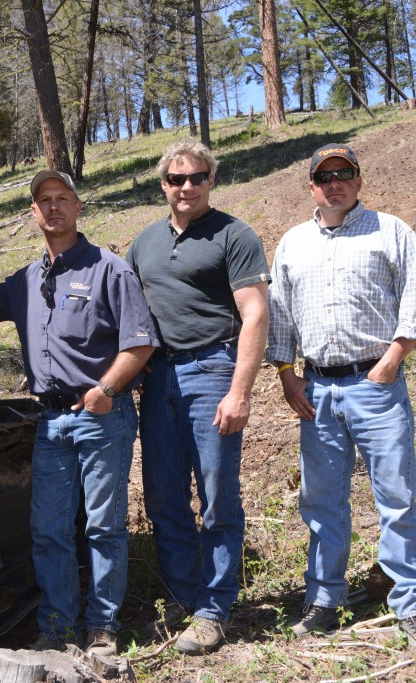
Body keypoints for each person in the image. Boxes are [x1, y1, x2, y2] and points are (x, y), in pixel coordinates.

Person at [0, 169, 158, 658]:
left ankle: (104, 628)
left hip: (100, 415)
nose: (54, 207)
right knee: (49, 530)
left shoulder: (109, 269)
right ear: (33, 213)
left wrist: (106, 389)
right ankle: (58, 628)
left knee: (103, 527)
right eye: (44, 200)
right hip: (49, 421)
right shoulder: (29, 278)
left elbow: (140, 342)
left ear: (78, 207)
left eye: (62, 198)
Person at [267, 143, 416, 648]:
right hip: (316, 389)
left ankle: (412, 604)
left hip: (376, 386)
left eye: (344, 174)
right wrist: (285, 372)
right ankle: (324, 600)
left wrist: (391, 360)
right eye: (325, 177)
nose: (334, 183)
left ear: (359, 181)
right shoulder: (293, 243)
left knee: (396, 497)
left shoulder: (391, 231)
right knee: (321, 503)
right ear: (312, 187)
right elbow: (278, 314)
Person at [125, 139, 270, 655]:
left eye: (197, 177)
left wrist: (240, 391)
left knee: (217, 496)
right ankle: (186, 599)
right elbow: (128, 315)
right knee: (164, 496)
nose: (186, 187)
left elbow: (254, 314)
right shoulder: (143, 242)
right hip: (158, 377)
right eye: (176, 179)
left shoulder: (234, 235)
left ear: (212, 180)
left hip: (213, 369)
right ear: (163, 184)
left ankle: (214, 608)